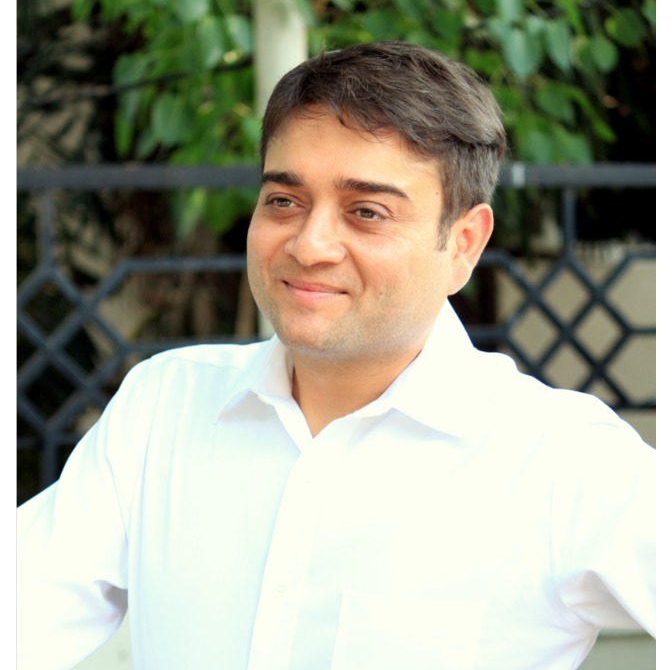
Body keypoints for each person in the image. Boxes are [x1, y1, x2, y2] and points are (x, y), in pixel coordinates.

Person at [17, 41, 655, 670]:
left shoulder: (559, 460)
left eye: (367, 212)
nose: (309, 244)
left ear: (464, 243)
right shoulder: (165, 408)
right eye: (284, 201)